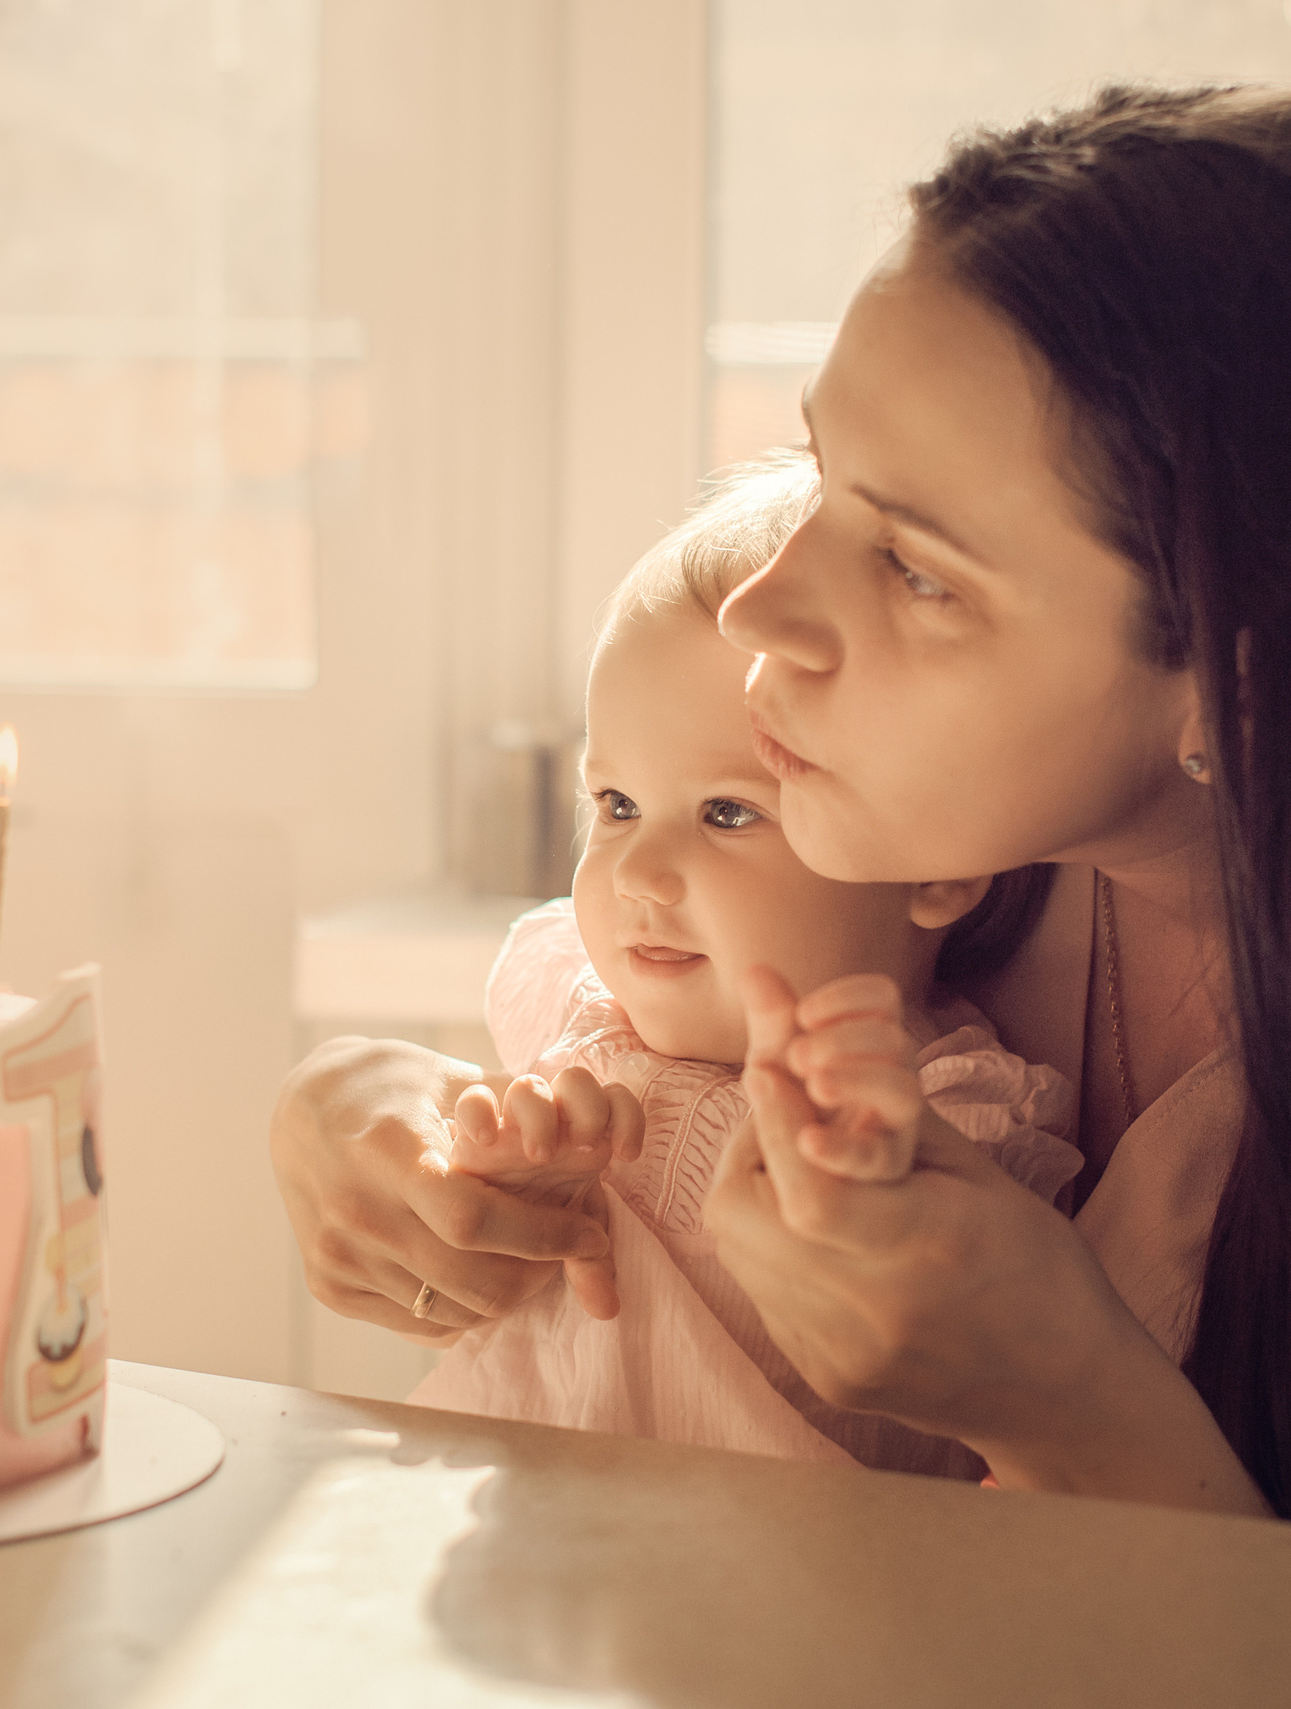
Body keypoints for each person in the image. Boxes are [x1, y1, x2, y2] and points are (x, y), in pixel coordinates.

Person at [270, 84, 1291, 1570]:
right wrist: (368, 1111)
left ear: (1240, 679)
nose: (757, 609)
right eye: (821, 482)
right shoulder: (919, 805)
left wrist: (1067, 1401)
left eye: (916, 570)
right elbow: (626, 1023)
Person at [411, 456, 1079, 1469]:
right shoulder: (576, 1001)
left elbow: (959, 1368)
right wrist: (509, 1183)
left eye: (726, 813)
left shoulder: (940, 1107)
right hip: (515, 1537)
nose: (638, 869)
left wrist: (862, 1193)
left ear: (933, 864)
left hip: (773, 1587)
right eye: (615, 804)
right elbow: (469, 1275)